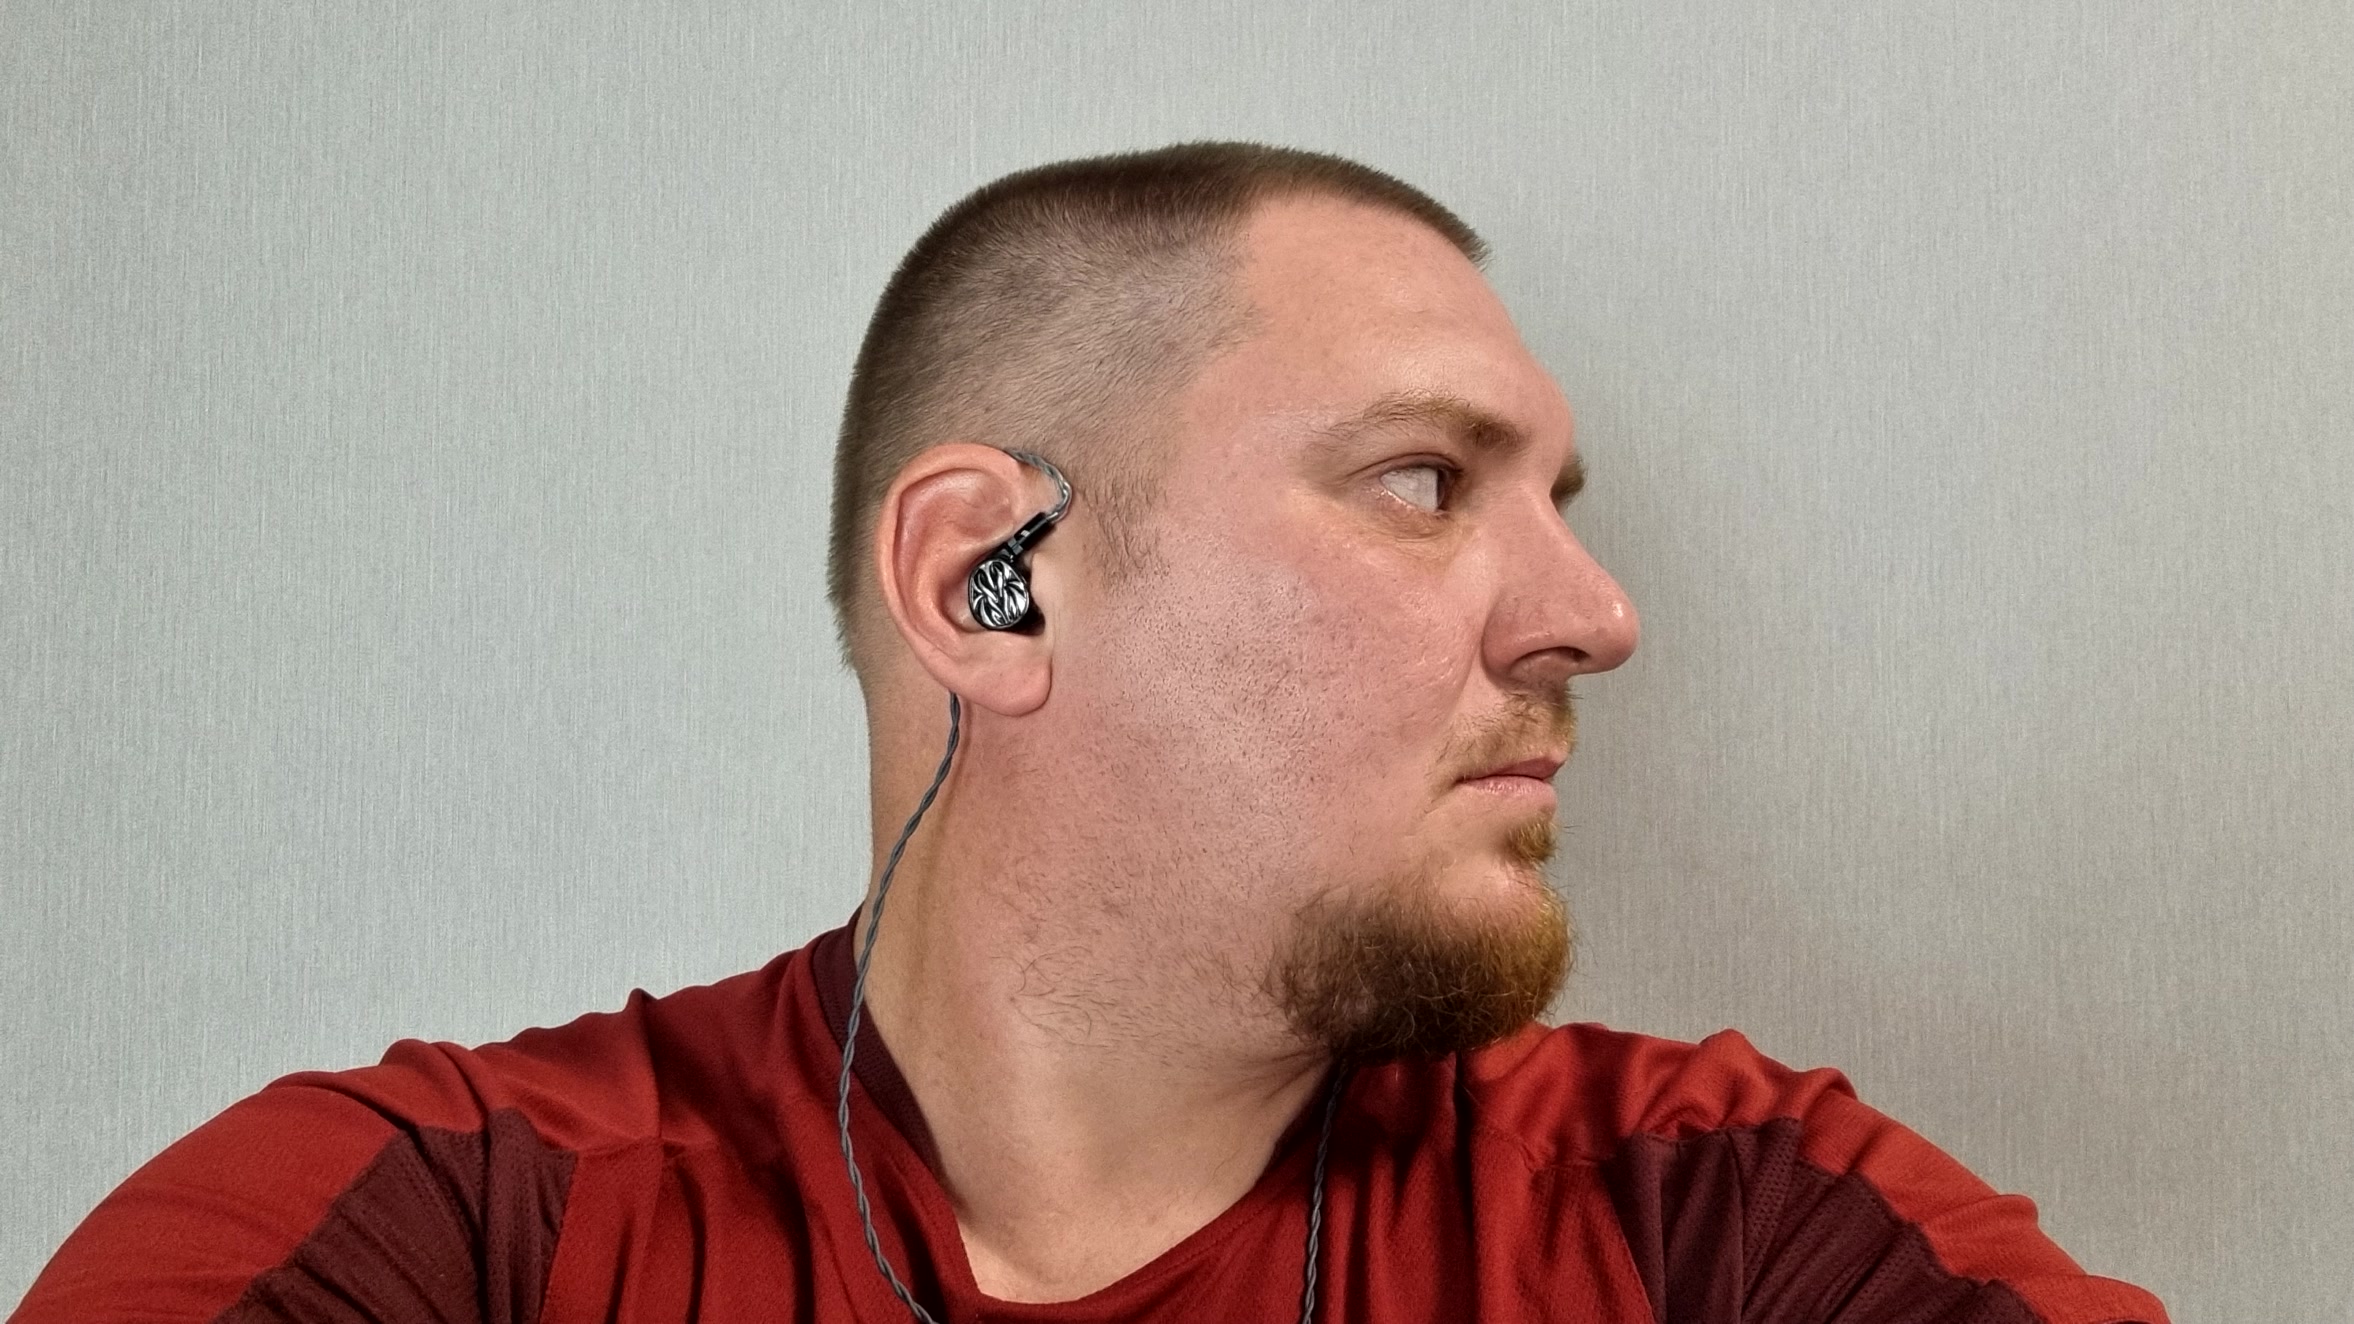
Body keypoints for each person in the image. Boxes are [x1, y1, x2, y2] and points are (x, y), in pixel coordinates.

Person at [12, 142, 2167, 1324]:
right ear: (993, 581)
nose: (1594, 619)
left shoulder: (1720, 1223)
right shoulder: (453, 1233)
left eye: (1557, 505)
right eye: (1424, 480)